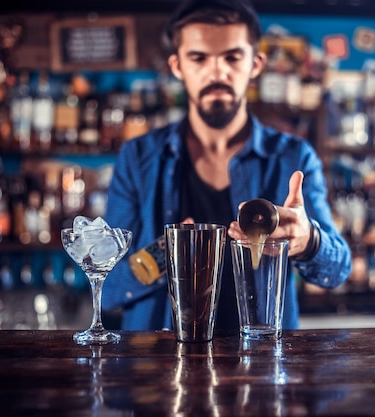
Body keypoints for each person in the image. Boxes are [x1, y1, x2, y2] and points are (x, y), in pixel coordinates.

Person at [103, 0, 351, 331]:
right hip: (158, 370)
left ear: (256, 64)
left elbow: (338, 269)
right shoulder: (138, 158)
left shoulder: (294, 157)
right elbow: (105, 289)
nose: (217, 72)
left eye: (232, 57)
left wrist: (308, 241)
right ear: (177, 66)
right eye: (199, 58)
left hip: (262, 366)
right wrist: (166, 254)